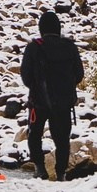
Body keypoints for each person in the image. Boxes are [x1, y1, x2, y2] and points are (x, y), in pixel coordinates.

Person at [19, 9, 85, 180]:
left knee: (34, 134)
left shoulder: (34, 47)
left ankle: (40, 168)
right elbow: (79, 74)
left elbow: (26, 77)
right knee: (62, 139)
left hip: (38, 101)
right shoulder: (69, 47)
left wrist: (37, 88)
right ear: (58, 28)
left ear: (41, 28)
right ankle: (61, 173)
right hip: (63, 102)